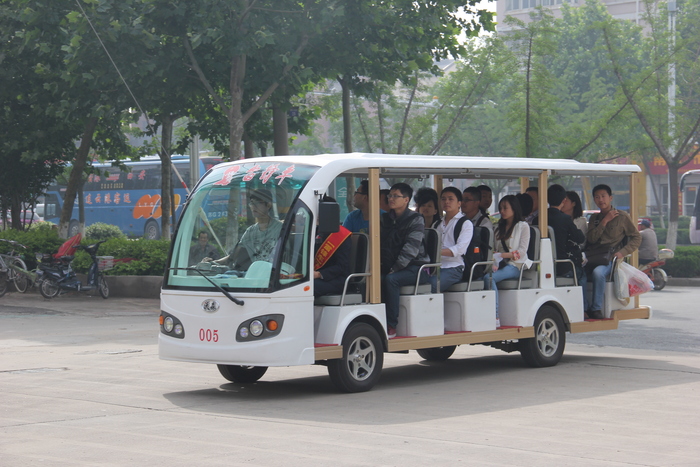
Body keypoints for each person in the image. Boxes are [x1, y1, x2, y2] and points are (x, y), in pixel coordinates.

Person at [584, 184, 641, 319]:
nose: (600, 200)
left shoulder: (622, 217)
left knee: (598, 273)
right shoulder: (594, 218)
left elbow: (636, 237)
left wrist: (622, 252)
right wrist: (604, 221)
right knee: (578, 274)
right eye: (597, 197)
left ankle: (596, 308)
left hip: (609, 258)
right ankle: (584, 307)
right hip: (594, 256)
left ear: (610, 198)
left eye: (603, 196)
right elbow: (591, 239)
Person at [380, 182, 430, 338]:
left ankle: (391, 325)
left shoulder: (416, 219)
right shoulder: (384, 218)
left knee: (391, 280)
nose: (391, 199)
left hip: (417, 267)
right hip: (390, 265)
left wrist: (394, 268)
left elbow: (411, 250)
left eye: (396, 196)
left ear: (406, 200)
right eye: (390, 196)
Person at [485, 195, 532, 327]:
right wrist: (496, 260)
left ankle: (495, 315)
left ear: (514, 208)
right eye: (500, 208)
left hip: (515, 266)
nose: (502, 211)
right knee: (484, 276)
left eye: (505, 208)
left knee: (490, 279)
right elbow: (494, 249)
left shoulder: (523, 226)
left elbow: (522, 252)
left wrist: (502, 255)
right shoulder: (498, 227)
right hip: (500, 264)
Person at [535, 185, 587, 300]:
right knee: (582, 275)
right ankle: (584, 308)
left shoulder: (539, 218)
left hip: (541, 264)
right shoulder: (565, 219)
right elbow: (580, 238)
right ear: (563, 200)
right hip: (562, 266)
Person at [209, 188, 283, 269]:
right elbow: (234, 255)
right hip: (253, 275)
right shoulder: (250, 231)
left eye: (257, 203)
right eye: (251, 203)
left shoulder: (280, 228)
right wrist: (214, 262)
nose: (253, 207)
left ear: (268, 205)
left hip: (274, 274)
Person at [430, 187, 472, 293]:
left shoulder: (465, 223)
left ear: (459, 203)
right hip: (434, 266)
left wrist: (437, 253)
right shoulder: (437, 223)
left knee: (432, 286)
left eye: (450, 199)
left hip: (454, 267)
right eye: (443, 199)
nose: (446, 202)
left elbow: (460, 249)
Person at [314, 196, 352, 297]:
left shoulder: (342, 235)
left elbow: (341, 266)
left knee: (307, 288)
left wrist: (318, 274)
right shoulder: (315, 231)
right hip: (315, 276)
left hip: (336, 279)